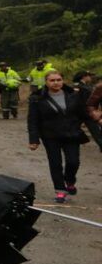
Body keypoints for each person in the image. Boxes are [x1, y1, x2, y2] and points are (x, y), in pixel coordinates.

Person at [27, 70, 89, 203]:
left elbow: (83, 114)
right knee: (55, 163)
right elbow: (33, 120)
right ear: (46, 82)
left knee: (73, 161)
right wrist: (34, 140)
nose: (56, 83)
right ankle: (60, 190)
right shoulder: (37, 98)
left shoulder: (73, 95)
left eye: (58, 80)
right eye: (52, 80)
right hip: (50, 136)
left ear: (63, 80)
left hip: (71, 134)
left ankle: (70, 180)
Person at [72, 71, 102, 152]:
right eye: (89, 76)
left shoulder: (85, 86)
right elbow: (77, 101)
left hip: (84, 113)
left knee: (96, 132)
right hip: (82, 113)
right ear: (84, 77)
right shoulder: (78, 86)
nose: (90, 78)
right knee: (96, 132)